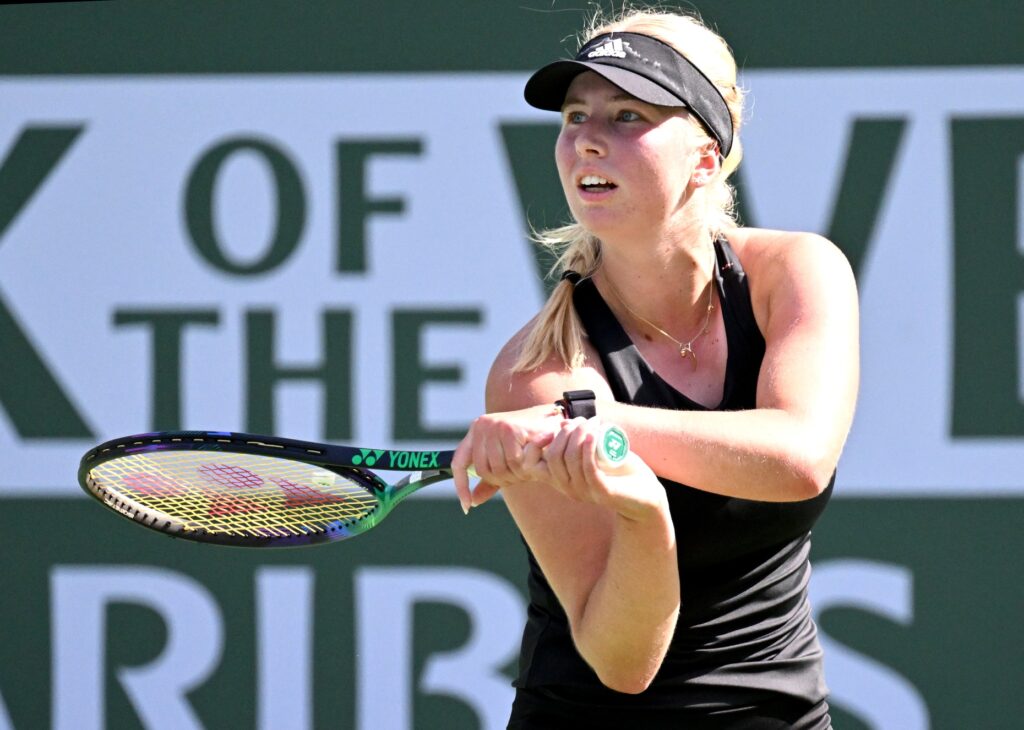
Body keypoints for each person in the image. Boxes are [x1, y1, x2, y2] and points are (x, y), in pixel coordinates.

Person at [451, 6, 859, 729]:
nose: (587, 141)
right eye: (575, 116)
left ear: (706, 156)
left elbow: (799, 458)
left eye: (628, 116)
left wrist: (603, 428)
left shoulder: (798, 272)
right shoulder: (537, 371)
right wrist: (640, 509)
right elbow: (624, 662)